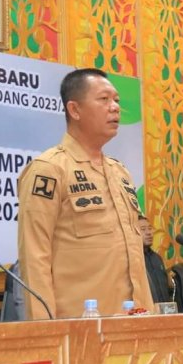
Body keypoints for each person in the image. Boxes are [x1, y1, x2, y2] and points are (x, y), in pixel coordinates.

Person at [17, 68, 153, 319]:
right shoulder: (49, 169)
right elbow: (34, 257)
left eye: (117, 100)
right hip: (80, 325)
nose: (115, 108)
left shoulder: (120, 172)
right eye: (104, 99)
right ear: (75, 110)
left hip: (133, 321)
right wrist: (45, 329)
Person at [138, 215, 172, 303]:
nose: (149, 232)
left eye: (150, 228)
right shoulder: (135, 259)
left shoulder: (157, 258)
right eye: (143, 229)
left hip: (164, 307)